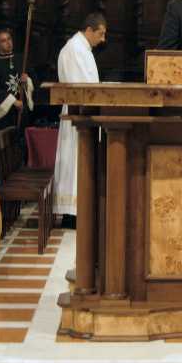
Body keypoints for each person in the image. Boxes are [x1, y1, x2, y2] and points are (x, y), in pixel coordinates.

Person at [53, 13, 106, 227]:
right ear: (89, 30)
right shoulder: (75, 49)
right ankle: (73, 214)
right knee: (76, 162)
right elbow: (82, 87)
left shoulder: (81, 48)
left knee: (78, 162)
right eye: (101, 34)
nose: (103, 39)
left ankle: (77, 211)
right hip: (79, 114)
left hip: (81, 114)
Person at [0, 28, 34, 133]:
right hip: (3, 114)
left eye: (9, 39)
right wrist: (13, 101)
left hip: (20, 112)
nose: (8, 43)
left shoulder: (21, 59)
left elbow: (35, 81)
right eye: (3, 41)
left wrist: (27, 80)